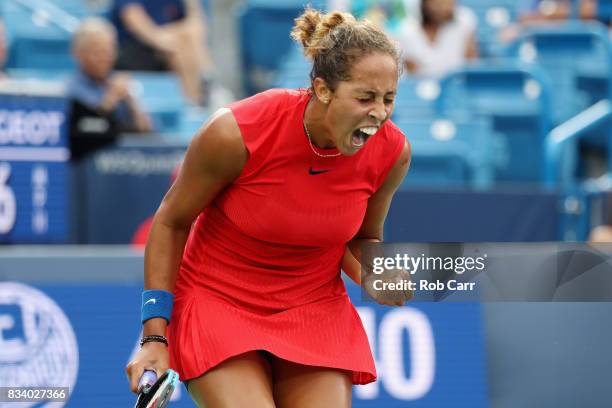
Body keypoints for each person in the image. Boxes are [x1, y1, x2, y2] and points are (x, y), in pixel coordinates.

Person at [126, 7, 412, 407]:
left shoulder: (391, 153)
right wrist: (154, 335)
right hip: (218, 301)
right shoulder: (235, 133)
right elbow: (172, 222)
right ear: (323, 89)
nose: (379, 113)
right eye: (365, 97)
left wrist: (377, 274)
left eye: (388, 98)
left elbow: (363, 239)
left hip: (313, 307)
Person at [68, 17, 152, 161]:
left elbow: (148, 130)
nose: (104, 58)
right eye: (97, 52)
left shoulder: (119, 84)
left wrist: (132, 102)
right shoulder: (72, 89)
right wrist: (111, 98)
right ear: (79, 53)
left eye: (108, 51)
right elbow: (86, 124)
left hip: (126, 162)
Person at [108, 0, 213, 105]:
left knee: (187, 37)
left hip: (173, 44)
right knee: (179, 47)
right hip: (133, 49)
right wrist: (167, 42)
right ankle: (195, 99)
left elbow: (195, 23)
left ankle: (195, 100)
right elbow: (133, 18)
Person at [397, 0, 478, 78]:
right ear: (424, 4)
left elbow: (471, 63)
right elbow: (411, 74)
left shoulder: (464, 23)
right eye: (437, 2)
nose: (444, 6)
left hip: (456, 86)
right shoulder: (407, 32)